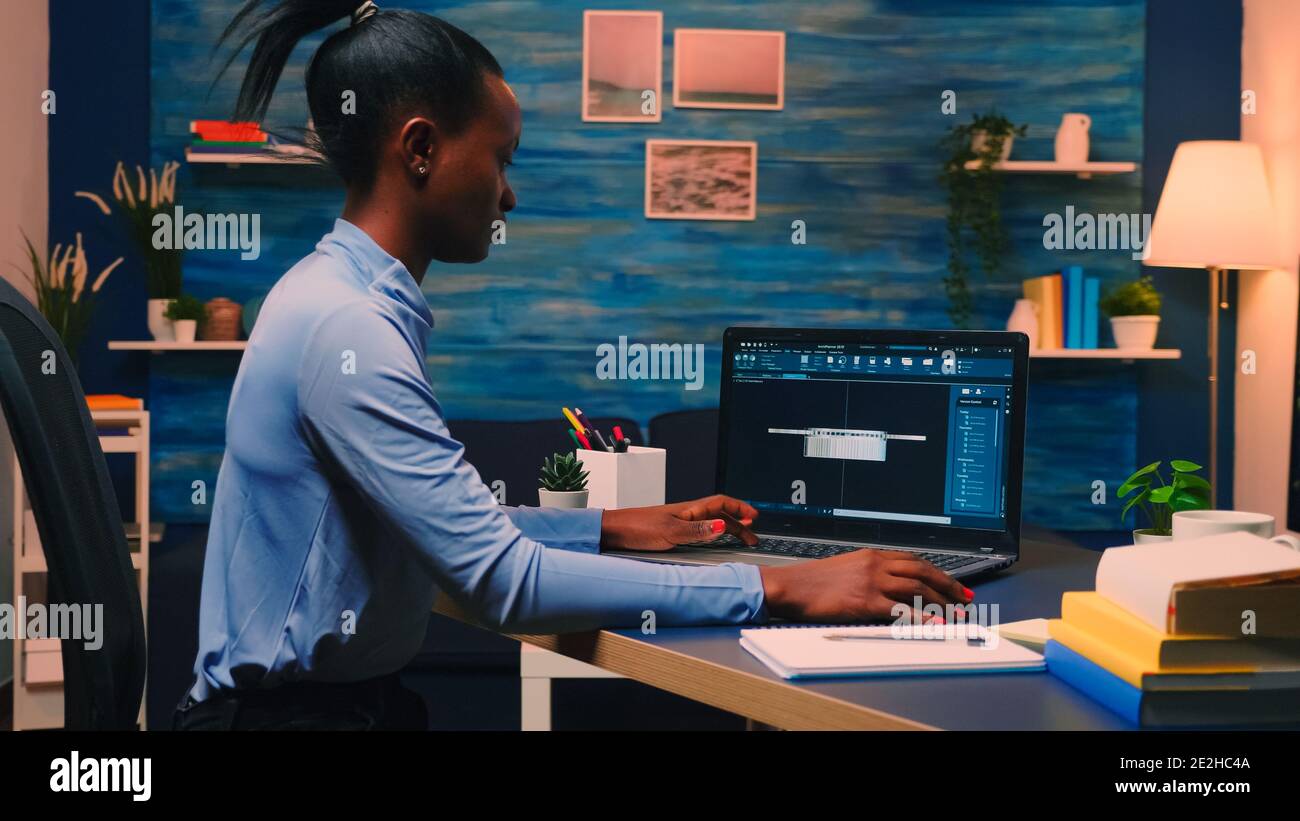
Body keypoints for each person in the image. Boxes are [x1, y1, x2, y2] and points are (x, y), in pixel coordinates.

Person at [174, 0, 971, 731]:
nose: (508, 196)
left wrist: (612, 525)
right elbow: (498, 578)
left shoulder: (335, 299)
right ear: (420, 148)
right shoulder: (348, 329)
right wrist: (782, 584)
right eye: (501, 159)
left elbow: (448, 534)